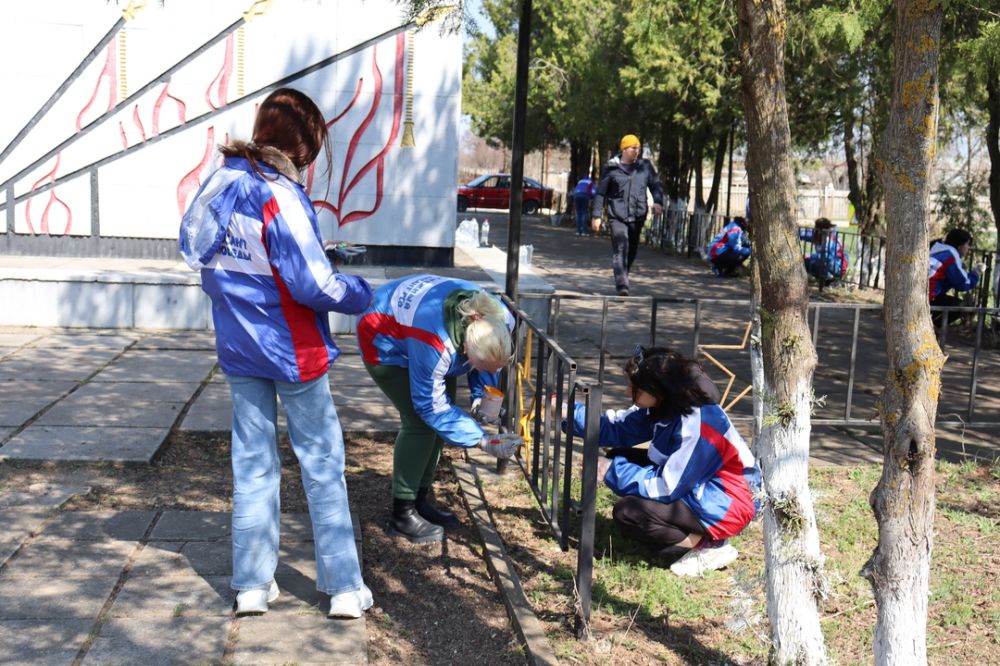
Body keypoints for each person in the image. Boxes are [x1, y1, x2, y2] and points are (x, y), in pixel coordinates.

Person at [178, 88, 376, 619]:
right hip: (295, 352)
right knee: (322, 466)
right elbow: (314, 285)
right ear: (303, 145)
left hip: (241, 348)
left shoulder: (221, 182)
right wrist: (362, 292)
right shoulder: (281, 194)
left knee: (253, 469)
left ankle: (250, 585)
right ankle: (343, 589)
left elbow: (206, 260)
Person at [356, 274, 523, 544]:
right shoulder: (436, 344)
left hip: (423, 330)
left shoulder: (499, 317)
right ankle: (402, 512)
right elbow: (431, 408)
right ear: (465, 349)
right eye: (475, 364)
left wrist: (481, 396)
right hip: (382, 336)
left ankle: (420, 499)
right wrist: (481, 440)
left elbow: (489, 361)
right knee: (420, 423)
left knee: (442, 417)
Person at [566, 346, 760, 576]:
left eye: (635, 387)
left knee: (628, 512)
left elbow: (667, 485)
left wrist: (611, 471)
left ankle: (710, 545)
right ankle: (695, 534)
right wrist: (567, 413)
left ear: (657, 389)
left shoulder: (697, 425)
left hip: (729, 500)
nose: (628, 391)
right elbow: (616, 427)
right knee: (619, 457)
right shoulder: (667, 405)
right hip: (703, 486)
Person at [590, 134, 665, 296]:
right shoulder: (611, 168)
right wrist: (596, 215)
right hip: (617, 215)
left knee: (631, 250)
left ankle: (623, 273)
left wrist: (658, 201)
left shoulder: (645, 167)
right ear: (624, 149)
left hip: (638, 215)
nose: (637, 151)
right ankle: (622, 284)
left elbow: (655, 185)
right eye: (633, 148)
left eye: (638, 148)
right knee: (621, 246)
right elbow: (600, 193)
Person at [929, 228, 984, 325]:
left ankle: (931, 327)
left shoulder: (937, 250)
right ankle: (933, 329)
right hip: (930, 296)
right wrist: (976, 273)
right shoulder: (951, 255)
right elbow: (963, 284)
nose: (968, 248)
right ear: (960, 245)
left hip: (926, 293)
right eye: (967, 244)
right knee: (962, 307)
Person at [803, 217, 848, 285]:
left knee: (816, 261)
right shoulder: (817, 236)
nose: (815, 229)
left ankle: (831, 278)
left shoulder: (831, 240)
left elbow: (827, 257)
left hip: (837, 266)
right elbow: (803, 234)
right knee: (806, 261)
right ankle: (825, 277)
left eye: (816, 227)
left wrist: (809, 256)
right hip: (825, 263)